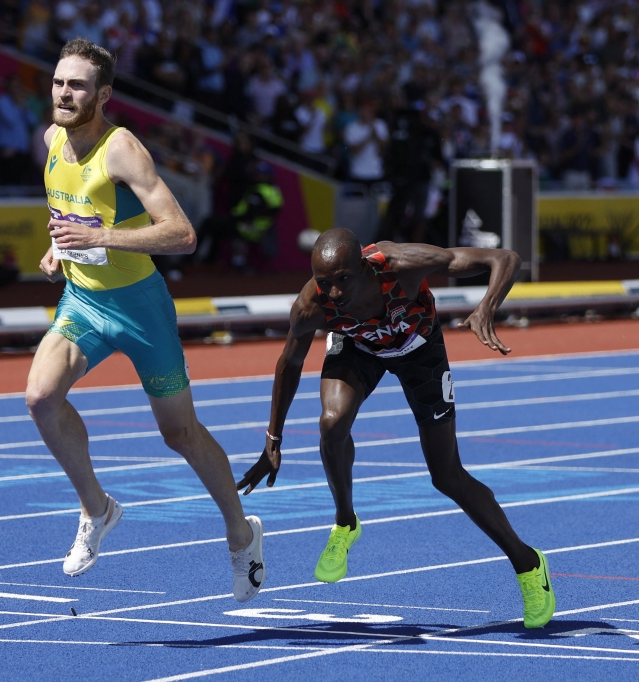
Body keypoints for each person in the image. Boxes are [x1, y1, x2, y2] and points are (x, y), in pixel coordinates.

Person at [26, 38, 265, 601]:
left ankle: (241, 533)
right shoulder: (51, 139)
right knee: (40, 397)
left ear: (102, 95)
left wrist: (99, 237)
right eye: (60, 81)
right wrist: (62, 248)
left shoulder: (122, 149)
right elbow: (71, 211)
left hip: (140, 309)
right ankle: (97, 509)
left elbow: (182, 235)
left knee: (178, 433)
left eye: (77, 85)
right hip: (84, 302)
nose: (64, 92)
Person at [236, 228, 555, 629]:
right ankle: (345, 522)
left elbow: (504, 258)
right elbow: (290, 362)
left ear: (364, 268)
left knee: (447, 475)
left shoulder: (402, 265)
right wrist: (273, 439)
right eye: (324, 283)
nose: (333, 293)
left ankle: (529, 564)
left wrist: (487, 306)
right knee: (331, 424)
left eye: (343, 281)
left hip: (418, 349)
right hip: (359, 348)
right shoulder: (311, 306)